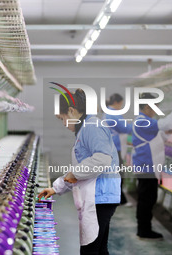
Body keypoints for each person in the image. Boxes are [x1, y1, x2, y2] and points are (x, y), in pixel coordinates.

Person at [38, 89, 121, 255]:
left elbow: (102, 159)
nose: (63, 123)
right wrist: (57, 188)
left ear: (71, 111)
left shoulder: (92, 127)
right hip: (98, 196)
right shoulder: (85, 128)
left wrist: (73, 174)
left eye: (62, 118)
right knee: (98, 249)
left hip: (100, 196)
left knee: (90, 250)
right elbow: (81, 168)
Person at [132, 93, 172, 240]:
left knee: (147, 198)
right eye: (156, 107)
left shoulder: (145, 121)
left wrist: (171, 131)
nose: (156, 110)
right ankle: (144, 230)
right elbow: (164, 124)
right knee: (146, 199)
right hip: (146, 166)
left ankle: (144, 229)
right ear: (148, 106)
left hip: (147, 166)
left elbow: (159, 134)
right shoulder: (142, 121)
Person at [104, 93, 132, 205]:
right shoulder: (113, 114)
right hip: (115, 149)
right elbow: (125, 128)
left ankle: (117, 198)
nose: (121, 106)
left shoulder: (108, 113)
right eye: (121, 104)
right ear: (116, 103)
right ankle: (119, 199)